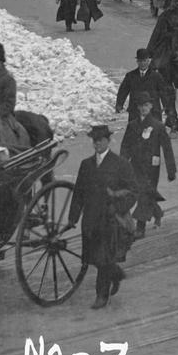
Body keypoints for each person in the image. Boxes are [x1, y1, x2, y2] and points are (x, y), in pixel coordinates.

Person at [67, 124, 138, 309]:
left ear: (108, 140)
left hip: (110, 220)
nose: (97, 143)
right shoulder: (86, 165)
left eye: (100, 140)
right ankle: (116, 274)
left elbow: (133, 192)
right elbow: (78, 193)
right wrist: (73, 218)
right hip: (90, 220)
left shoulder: (121, 164)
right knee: (95, 259)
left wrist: (118, 209)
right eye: (94, 140)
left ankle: (101, 295)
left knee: (103, 258)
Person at [119, 93, 176, 237]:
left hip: (151, 168)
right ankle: (157, 211)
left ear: (151, 106)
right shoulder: (132, 125)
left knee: (144, 194)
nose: (143, 108)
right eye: (141, 106)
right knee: (142, 193)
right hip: (135, 166)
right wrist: (123, 163)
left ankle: (140, 228)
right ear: (137, 108)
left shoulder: (158, 126)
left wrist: (171, 170)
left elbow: (167, 148)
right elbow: (125, 145)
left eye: (146, 105)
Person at [114, 47, 173, 127]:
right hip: (135, 112)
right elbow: (123, 91)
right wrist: (119, 104)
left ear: (149, 61)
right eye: (140, 61)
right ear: (137, 62)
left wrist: (167, 106)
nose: (142, 63)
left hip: (153, 112)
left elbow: (163, 92)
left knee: (154, 135)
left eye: (144, 61)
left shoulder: (156, 76)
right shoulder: (131, 76)